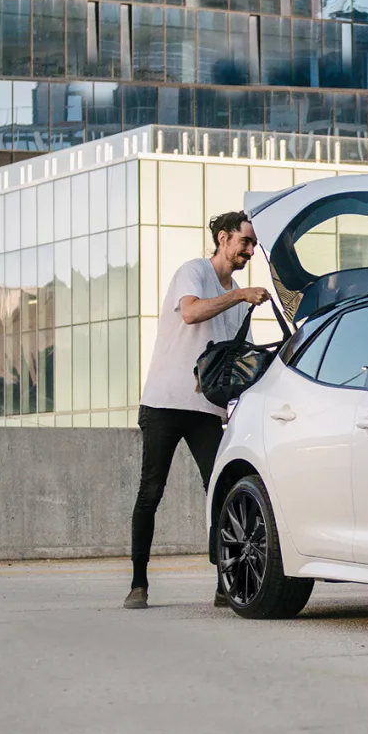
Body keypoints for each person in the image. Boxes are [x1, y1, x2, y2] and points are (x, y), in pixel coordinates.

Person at [123, 211, 271, 610]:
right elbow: (190, 312)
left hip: (207, 409)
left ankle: (226, 582)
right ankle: (138, 583)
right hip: (165, 402)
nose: (250, 250)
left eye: (254, 244)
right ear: (223, 239)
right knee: (150, 491)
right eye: (245, 242)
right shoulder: (194, 272)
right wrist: (239, 295)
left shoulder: (241, 296)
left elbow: (241, 359)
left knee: (222, 492)